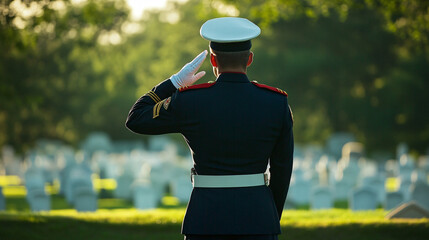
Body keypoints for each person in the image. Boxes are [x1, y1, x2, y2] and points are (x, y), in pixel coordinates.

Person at [126, 17, 294, 240]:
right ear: (250, 59)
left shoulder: (189, 101)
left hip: (205, 219)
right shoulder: (276, 102)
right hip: (259, 218)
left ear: (213, 60)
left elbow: (136, 118)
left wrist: (174, 83)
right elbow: (282, 171)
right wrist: (269, 215)